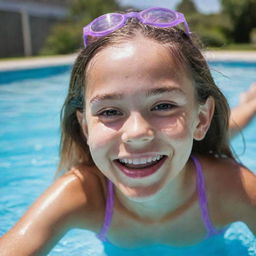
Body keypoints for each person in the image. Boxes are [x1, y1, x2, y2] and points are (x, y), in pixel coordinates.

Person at [0, 7, 255, 255]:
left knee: (227, 128)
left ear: (201, 119)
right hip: (171, 143)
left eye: (163, 105)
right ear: (85, 127)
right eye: (110, 111)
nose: (136, 132)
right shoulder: (85, 193)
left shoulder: (232, 187)